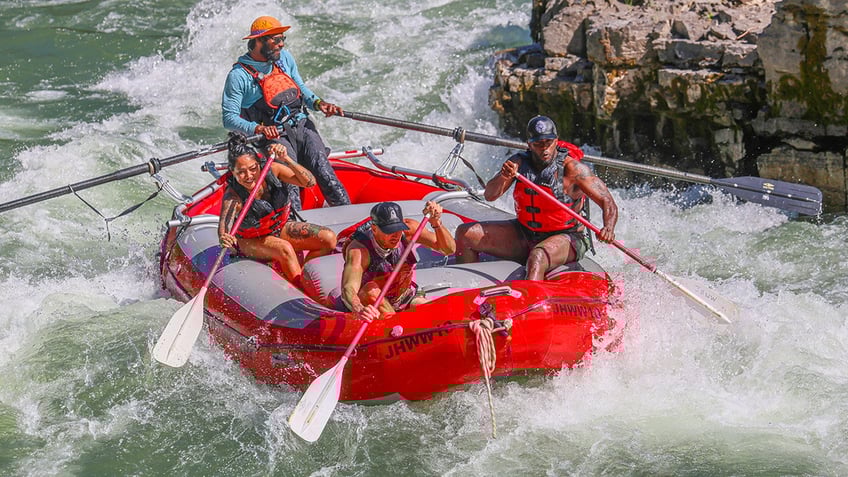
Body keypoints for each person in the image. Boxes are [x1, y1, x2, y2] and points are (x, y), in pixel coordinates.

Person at [454, 115, 618, 280]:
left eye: (549, 143)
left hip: (567, 237)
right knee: (465, 234)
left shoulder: (573, 170)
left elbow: (607, 201)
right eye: (539, 144)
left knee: (537, 257)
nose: (545, 149)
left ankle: (528, 301)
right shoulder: (517, 164)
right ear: (529, 144)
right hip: (525, 233)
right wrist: (504, 177)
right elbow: (490, 195)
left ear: (556, 141)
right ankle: (465, 288)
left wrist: (608, 228)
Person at [221, 15, 350, 210]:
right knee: (291, 189)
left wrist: (318, 103)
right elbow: (229, 118)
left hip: (302, 125)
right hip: (275, 137)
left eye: (283, 39)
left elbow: (299, 87)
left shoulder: (284, 59)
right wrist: (258, 129)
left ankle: (356, 227)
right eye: (276, 39)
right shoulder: (238, 76)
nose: (281, 45)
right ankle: (296, 231)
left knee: (326, 175)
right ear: (258, 41)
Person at [218, 134, 337, 288]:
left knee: (328, 239)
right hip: (250, 241)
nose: (248, 176)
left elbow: (309, 182)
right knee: (284, 248)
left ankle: (305, 278)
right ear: (232, 172)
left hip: (279, 228)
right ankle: (301, 290)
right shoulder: (233, 197)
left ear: (259, 164)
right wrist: (224, 238)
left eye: (253, 169)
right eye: (241, 172)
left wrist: (286, 158)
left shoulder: (273, 169)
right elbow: (223, 229)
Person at [340, 201, 456, 317]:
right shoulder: (359, 251)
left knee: (434, 311)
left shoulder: (409, 230)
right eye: (389, 231)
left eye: (398, 228)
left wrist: (436, 223)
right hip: (373, 303)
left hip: (405, 296)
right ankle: (396, 324)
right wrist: (359, 309)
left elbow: (449, 250)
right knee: (371, 291)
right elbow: (348, 288)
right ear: (374, 229)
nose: (396, 235)